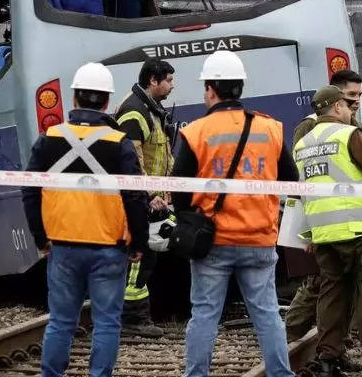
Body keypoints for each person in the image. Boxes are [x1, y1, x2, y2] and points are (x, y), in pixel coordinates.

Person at [170, 50, 296, 377]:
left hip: (212, 240)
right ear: (240, 87)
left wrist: (190, 218)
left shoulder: (195, 132)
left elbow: (179, 187)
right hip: (259, 237)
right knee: (267, 314)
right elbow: (291, 179)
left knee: (205, 315)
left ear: (211, 89)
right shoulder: (271, 129)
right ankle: (281, 374)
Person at [21, 62, 150, 377]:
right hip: (109, 248)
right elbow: (134, 196)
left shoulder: (49, 138)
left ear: (75, 97)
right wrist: (140, 240)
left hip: (63, 247)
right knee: (107, 322)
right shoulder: (118, 142)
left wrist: (40, 238)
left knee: (62, 321)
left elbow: (30, 191)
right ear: (106, 102)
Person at [294, 86, 362, 377]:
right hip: (355, 229)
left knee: (332, 295)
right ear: (337, 107)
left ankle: (328, 359)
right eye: (347, 103)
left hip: (323, 233)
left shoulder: (303, 143)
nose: (351, 108)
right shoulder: (348, 134)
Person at [285, 69, 362, 368]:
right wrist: (305, 231)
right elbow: (304, 179)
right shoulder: (308, 129)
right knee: (318, 284)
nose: (356, 102)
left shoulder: (348, 122)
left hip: (338, 219)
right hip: (321, 222)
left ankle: (333, 347)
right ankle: (292, 330)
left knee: (332, 286)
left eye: (360, 96)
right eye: (351, 96)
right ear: (335, 97)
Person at [115, 58, 176, 338]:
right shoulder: (134, 111)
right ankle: (132, 319)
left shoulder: (152, 110)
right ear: (153, 80)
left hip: (152, 197)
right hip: (140, 199)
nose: (172, 85)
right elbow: (133, 158)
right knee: (138, 260)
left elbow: (163, 155)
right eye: (168, 80)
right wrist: (149, 194)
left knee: (147, 258)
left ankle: (136, 317)